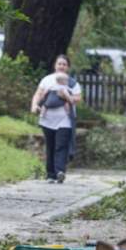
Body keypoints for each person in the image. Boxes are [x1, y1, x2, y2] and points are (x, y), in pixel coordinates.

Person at [30, 54, 81, 183]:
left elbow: (77, 98)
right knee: (51, 145)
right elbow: (39, 94)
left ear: (68, 67)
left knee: (61, 145)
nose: (62, 66)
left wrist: (66, 97)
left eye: (64, 64)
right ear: (55, 65)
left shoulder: (72, 83)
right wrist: (34, 105)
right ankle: (50, 174)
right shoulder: (47, 80)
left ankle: (60, 171)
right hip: (47, 118)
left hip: (65, 119)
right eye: (59, 64)